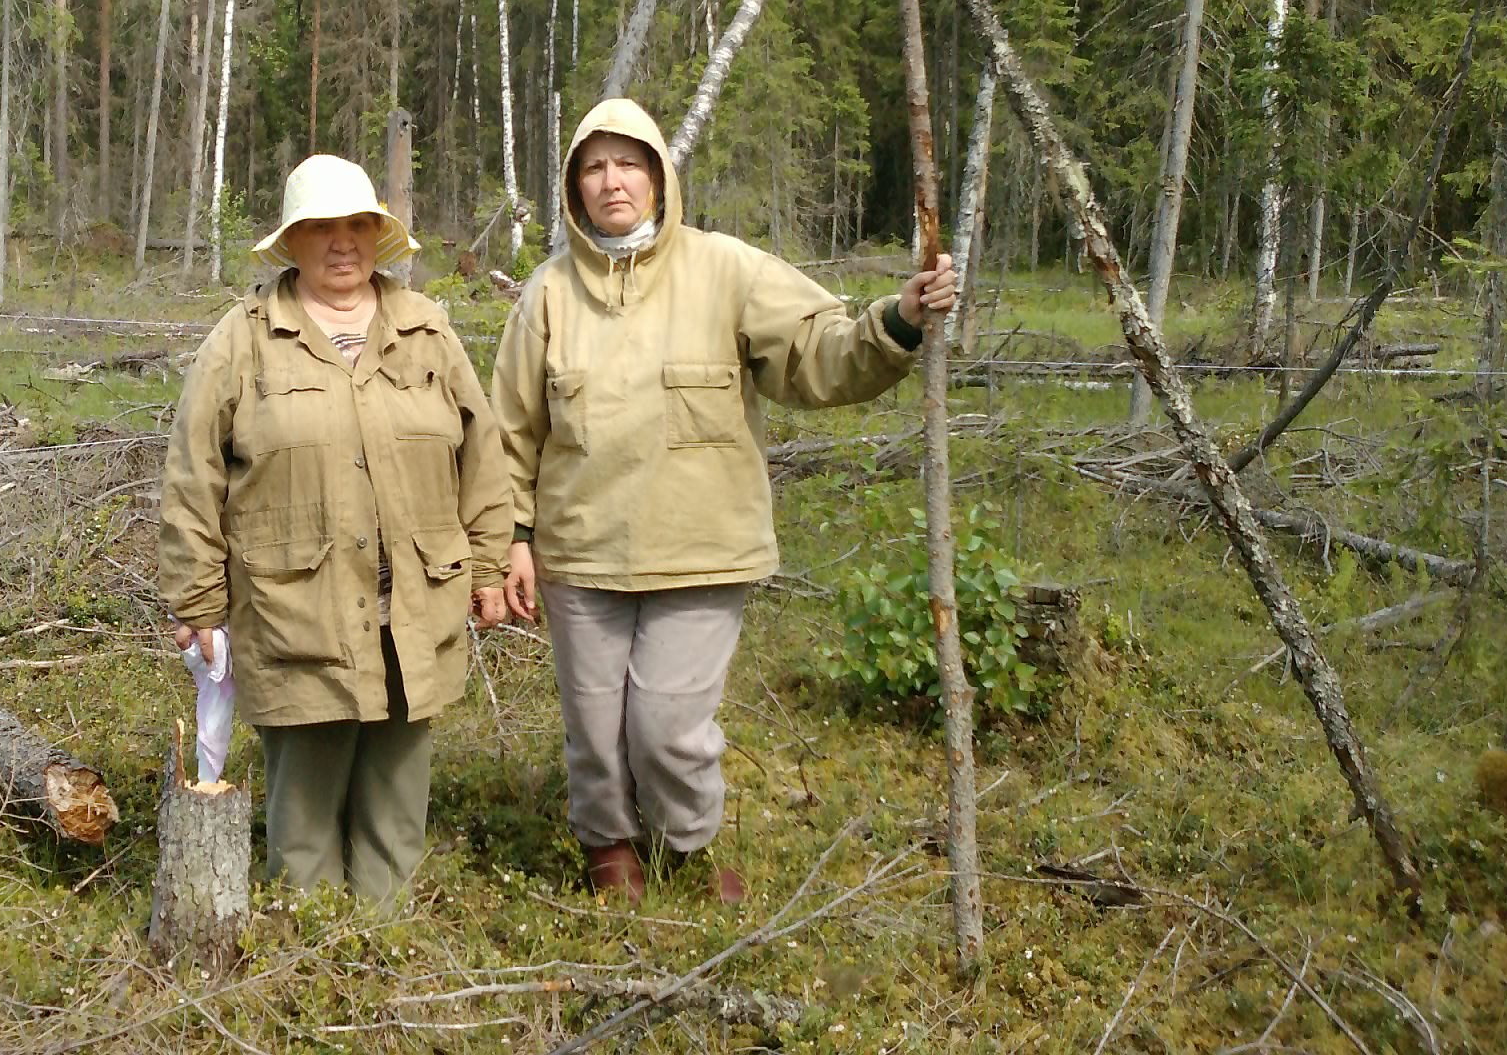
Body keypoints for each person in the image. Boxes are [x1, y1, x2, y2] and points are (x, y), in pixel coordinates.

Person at [491, 99, 958, 904]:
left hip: (700, 551)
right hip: (580, 552)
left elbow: (819, 354)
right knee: (596, 731)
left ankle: (685, 849)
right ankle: (609, 850)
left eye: (629, 162)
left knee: (667, 730)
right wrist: (512, 538)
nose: (613, 181)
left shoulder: (727, 269)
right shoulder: (547, 294)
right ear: (573, 186)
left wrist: (901, 320)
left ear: (659, 176)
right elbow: (510, 429)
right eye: (594, 166)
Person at [158, 154, 511, 899]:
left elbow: (481, 457)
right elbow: (193, 476)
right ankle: (307, 956)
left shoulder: (427, 331)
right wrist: (198, 603)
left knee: (395, 812)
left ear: (378, 235)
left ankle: (381, 958)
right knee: (305, 822)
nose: (341, 242)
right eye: (321, 227)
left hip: (412, 610)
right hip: (296, 615)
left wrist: (486, 568)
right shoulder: (244, 340)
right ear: (293, 241)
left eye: (356, 225)